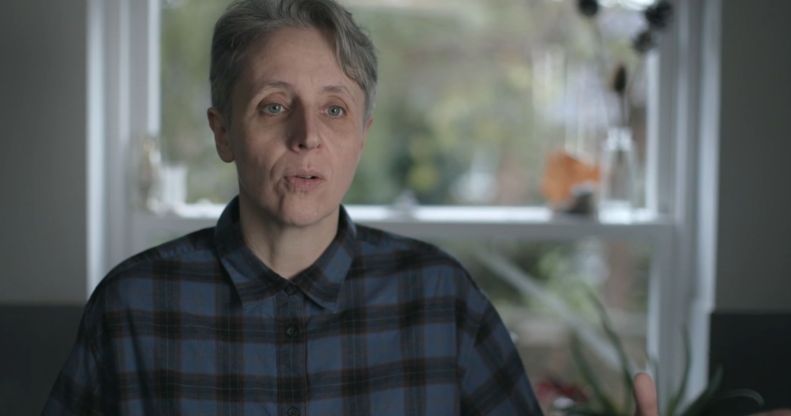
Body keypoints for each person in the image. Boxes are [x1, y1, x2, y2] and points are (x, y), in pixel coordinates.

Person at [41, 0, 668, 414]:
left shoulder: (441, 301)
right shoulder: (131, 309)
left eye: (334, 108)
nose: (307, 135)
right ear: (223, 131)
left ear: (362, 134)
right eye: (273, 105)